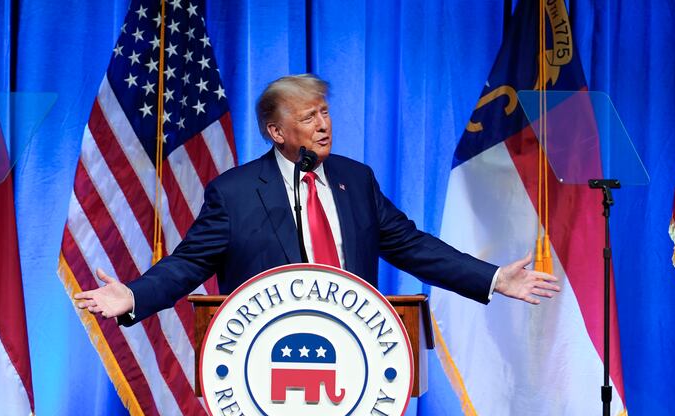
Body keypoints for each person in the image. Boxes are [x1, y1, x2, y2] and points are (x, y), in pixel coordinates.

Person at [75, 74, 559, 322]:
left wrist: (492, 278)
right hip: (267, 362)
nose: (323, 125)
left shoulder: (356, 179)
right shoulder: (236, 193)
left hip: (357, 354)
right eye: (308, 117)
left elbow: (414, 247)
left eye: (324, 113)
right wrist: (135, 294)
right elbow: (187, 265)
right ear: (276, 131)